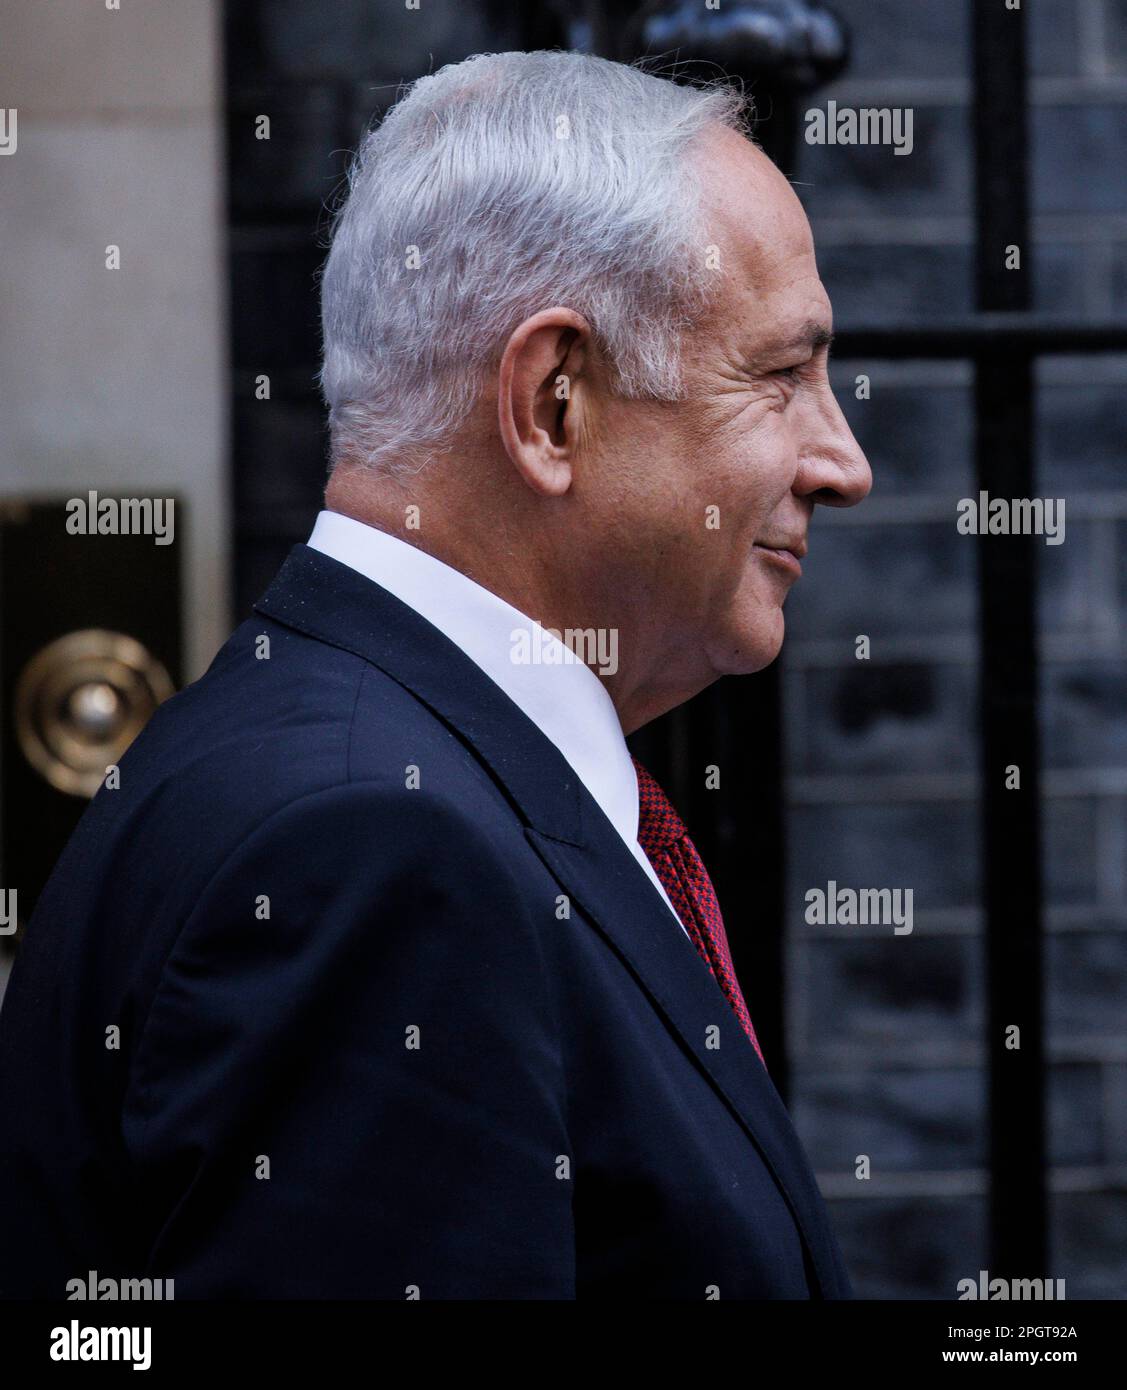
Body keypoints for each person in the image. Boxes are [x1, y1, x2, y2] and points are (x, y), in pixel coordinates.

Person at [0, 50, 870, 1299]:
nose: (840, 462)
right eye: (780, 376)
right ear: (552, 402)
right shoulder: (376, 844)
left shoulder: (348, 769)